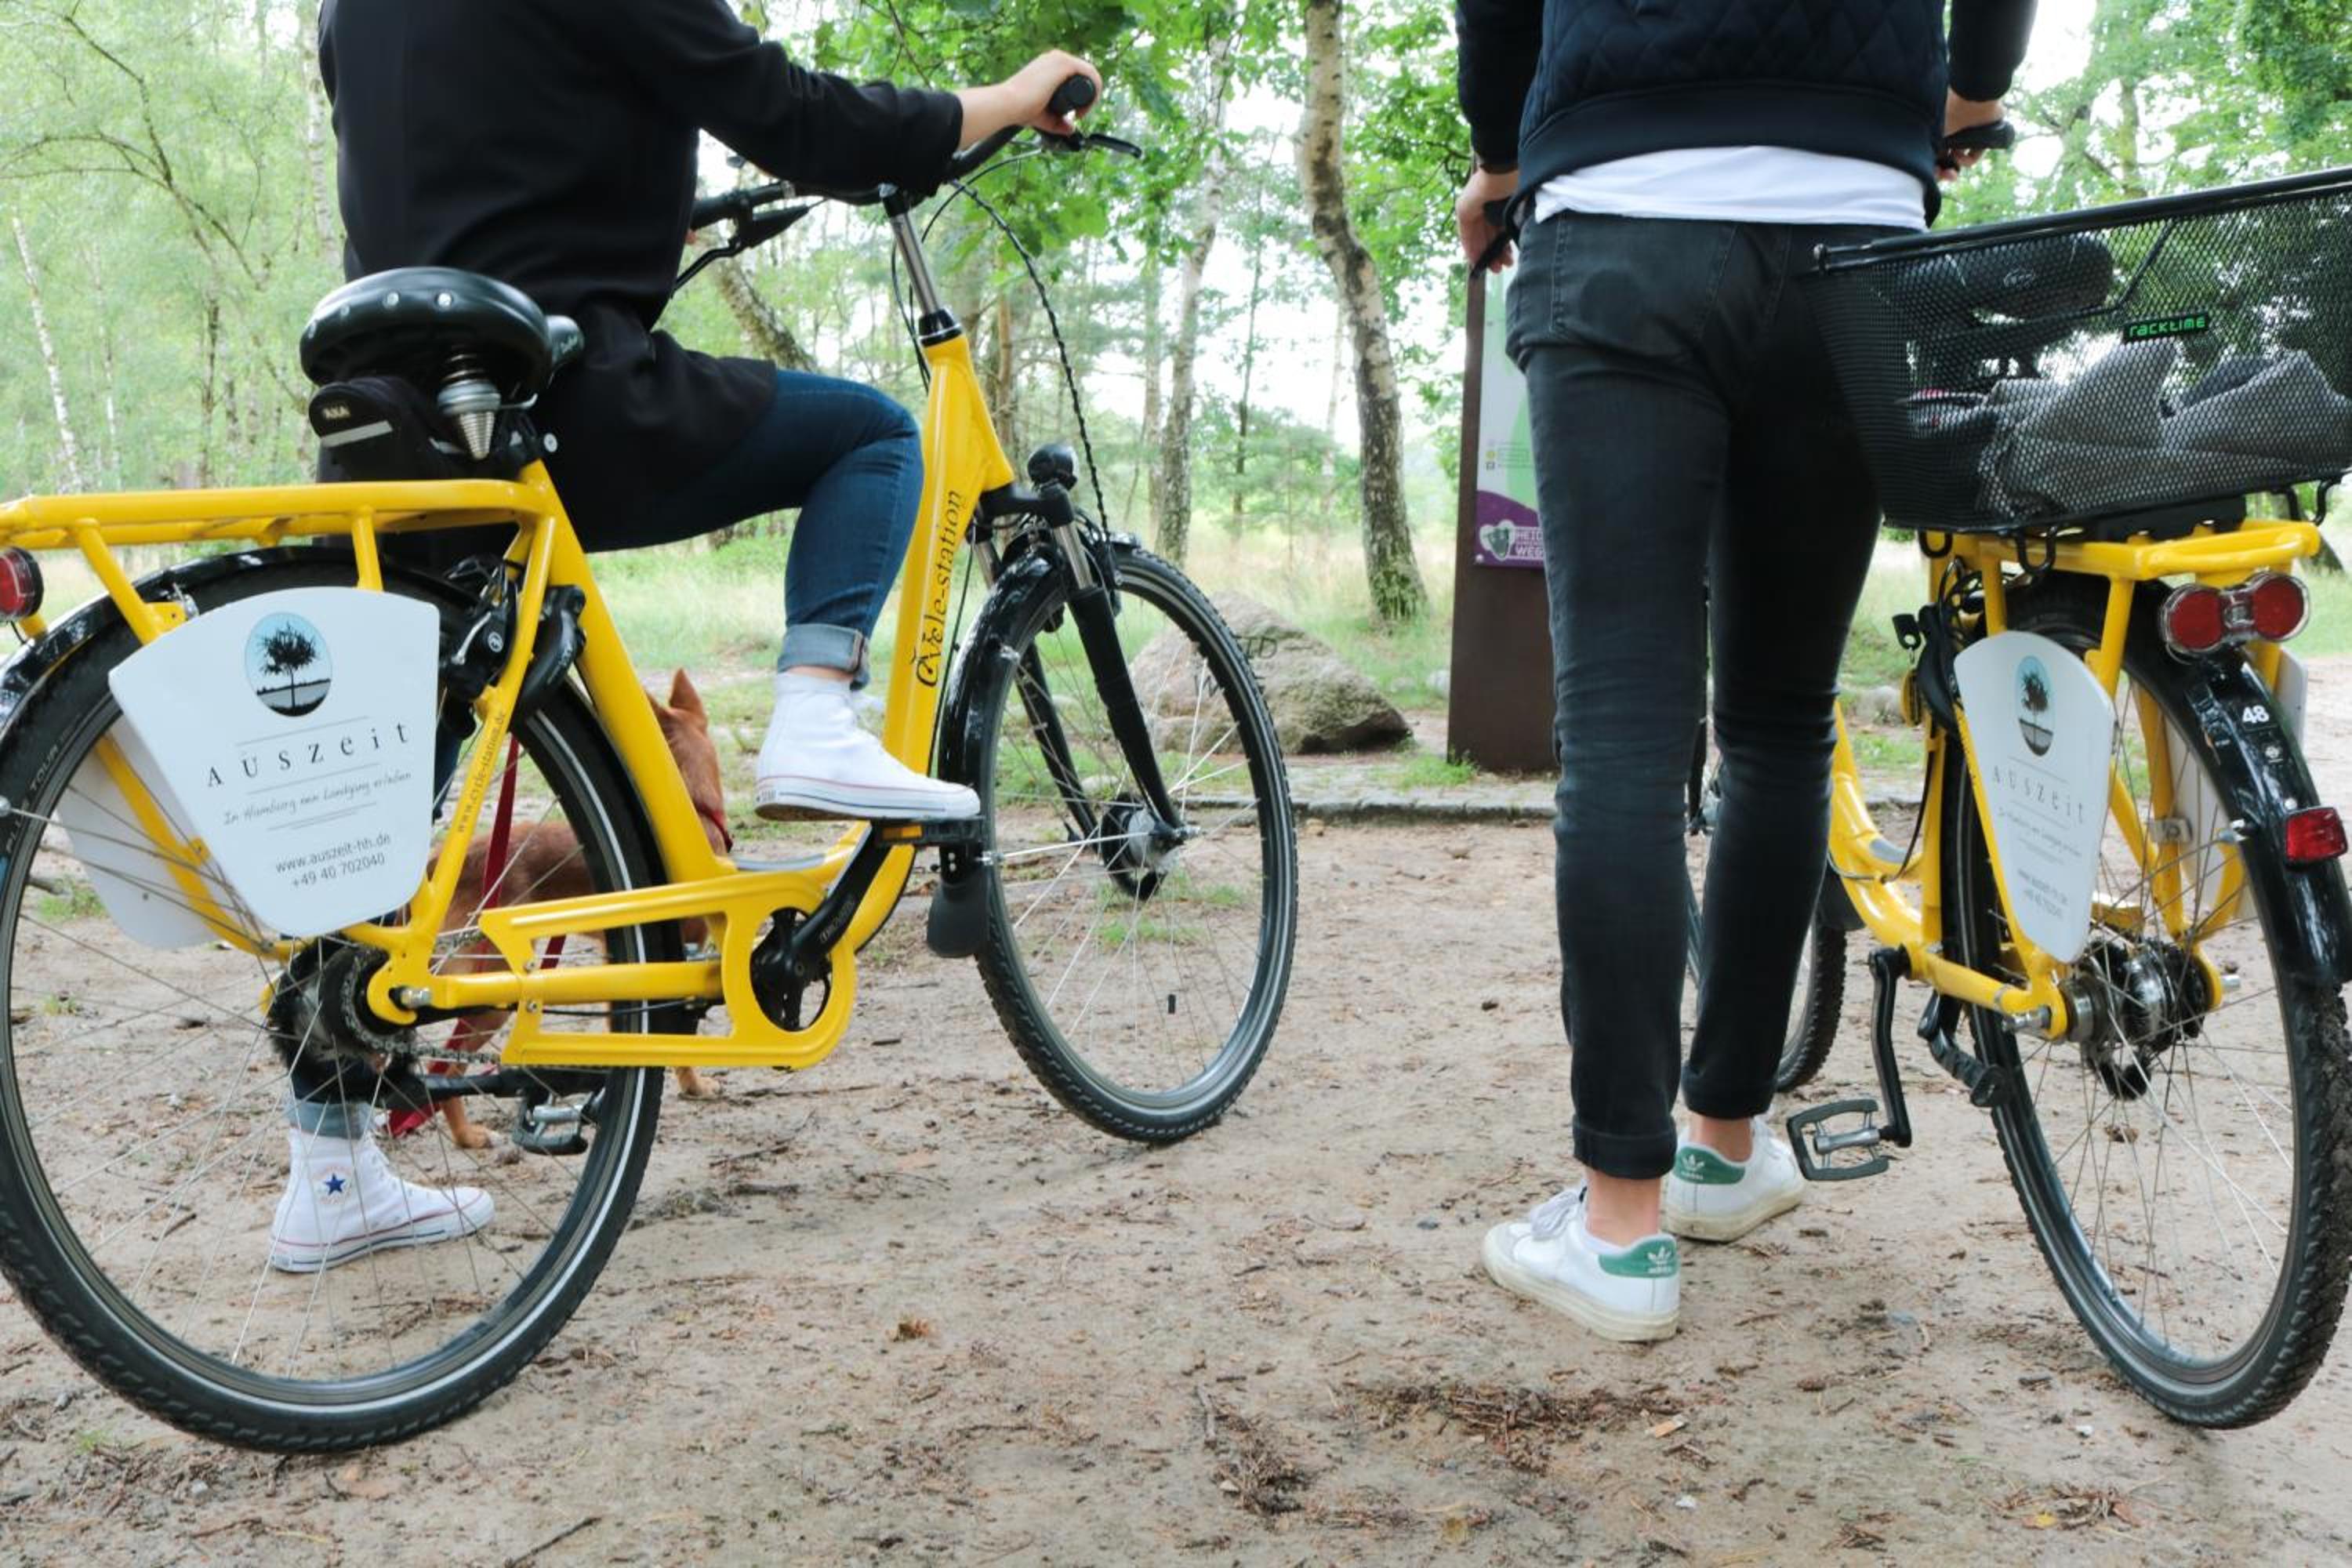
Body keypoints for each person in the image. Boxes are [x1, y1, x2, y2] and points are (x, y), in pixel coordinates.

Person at [272, 1, 1101, 1269]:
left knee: (383, 793)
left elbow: (472, 153)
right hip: (556, 395)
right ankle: (814, 711)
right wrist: (1010, 96)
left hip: (388, 422)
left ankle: (329, 1175)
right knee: (874, 436)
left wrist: (633, 201)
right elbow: (802, 118)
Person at [1453, 0, 2035, 1339]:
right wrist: (1971, 90)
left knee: (1621, 732)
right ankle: (1722, 1144)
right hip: (1854, 233)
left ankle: (1619, 1230)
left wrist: (1499, 162)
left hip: (1620, 219)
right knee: (1780, 722)